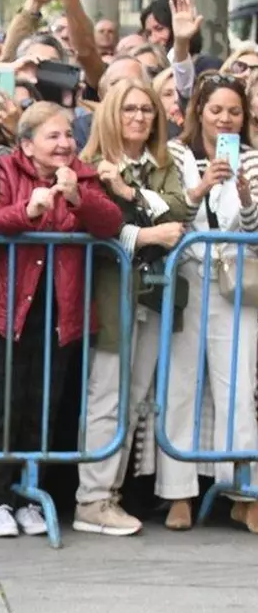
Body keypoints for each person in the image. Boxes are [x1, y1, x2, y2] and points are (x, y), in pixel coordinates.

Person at [0, 102, 123, 537]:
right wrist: (28, 211)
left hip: (61, 309)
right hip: (5, 308)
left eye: (68, 135)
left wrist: (77, 197)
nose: (64, 143)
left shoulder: (83, 176)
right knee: (1, 408)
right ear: (27, 144)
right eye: (53, 136)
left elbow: (110, 221)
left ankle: (29, 496)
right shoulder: (5, 169)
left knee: (42, 408)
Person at [74, 80, 191, 534]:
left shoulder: (163, 164)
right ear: (111, 115)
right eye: (129, 109)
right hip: (109, 291)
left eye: (147, 109)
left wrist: (130, 193)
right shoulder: (90, 162)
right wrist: (143, 236)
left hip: (155, 294)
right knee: (106, 394)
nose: (139, 117)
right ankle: (92, 497)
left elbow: (179, 214)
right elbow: (94, 224)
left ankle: (110, 494)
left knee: (135, 398)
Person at [167, 73, 258, 533]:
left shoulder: (253, 160)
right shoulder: (175, 154)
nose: (225, 119)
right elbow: (169, 212)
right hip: (184, 278)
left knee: (238, 386)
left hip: (234, 283)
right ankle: (178, 493)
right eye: (216, 109)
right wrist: (202, 186)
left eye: (234, 112)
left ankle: (243, 490)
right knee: (179, 385)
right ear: (198, 110)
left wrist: (246, 199)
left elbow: (254, 228)